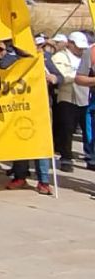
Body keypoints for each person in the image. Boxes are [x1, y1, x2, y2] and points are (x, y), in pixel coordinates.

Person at [51, 32, 90, 173]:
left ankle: (90, 156)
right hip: (67, 98)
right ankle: (66, 157)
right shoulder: (60, 57)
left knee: (87, 130)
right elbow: (62, 76)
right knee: (67, 129)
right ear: (70, 43)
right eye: (78, 47)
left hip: (85, 97)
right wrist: (80, 78)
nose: (80, 50)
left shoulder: (86, 57)